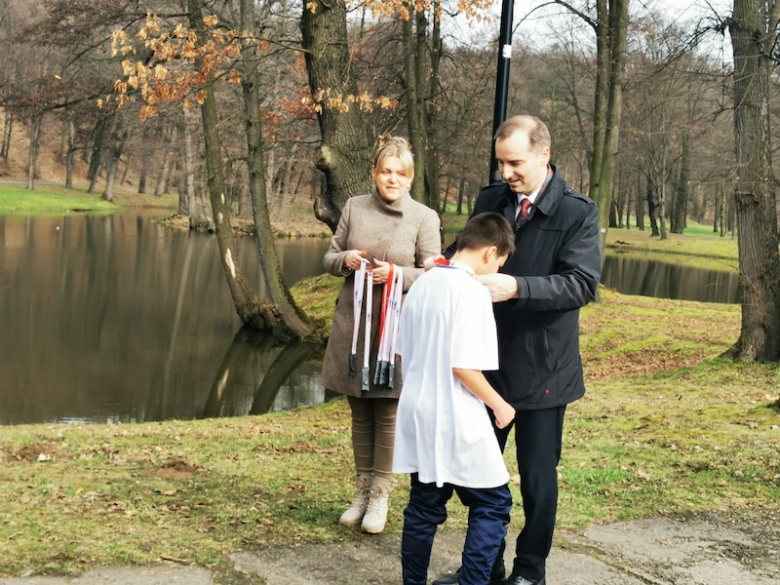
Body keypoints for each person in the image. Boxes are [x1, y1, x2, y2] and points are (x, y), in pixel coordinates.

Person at [433, 115, 601, 585]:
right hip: (488, 365)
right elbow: (466, 252)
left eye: (515, 162)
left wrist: (516, 288)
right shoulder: (490, 200)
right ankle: (485, 568)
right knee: (478, 477)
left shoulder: (577, 212)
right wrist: (443, 262)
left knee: (538, 483)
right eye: (501, 162)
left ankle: (529, 573)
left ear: (543, 156)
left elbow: (581, 285)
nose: (506, 172)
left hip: (547, 368)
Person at [321, 136, 441, 534]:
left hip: (396, 329)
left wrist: (397, 275)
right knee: (359, 409)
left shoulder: (424, 218)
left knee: (387, 411)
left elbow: (434, 273)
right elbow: (330, 254)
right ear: (374, 172)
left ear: (409, 178)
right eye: (385, 171)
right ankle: (361, 489)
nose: (392, 179)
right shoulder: (354, 207)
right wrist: (345, 260)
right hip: (354, 326)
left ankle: (380, 495)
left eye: (400, 173)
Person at [393, 212, 517, 585]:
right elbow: (464, 367)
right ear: (489, 252)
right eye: (498, 263)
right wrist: (499, 404)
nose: (494, 271)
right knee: (494, 503)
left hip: (418, 408)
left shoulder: (424, 283)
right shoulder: (473, 292)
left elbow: (402, 351)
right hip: (455, 414)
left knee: (424, 505)